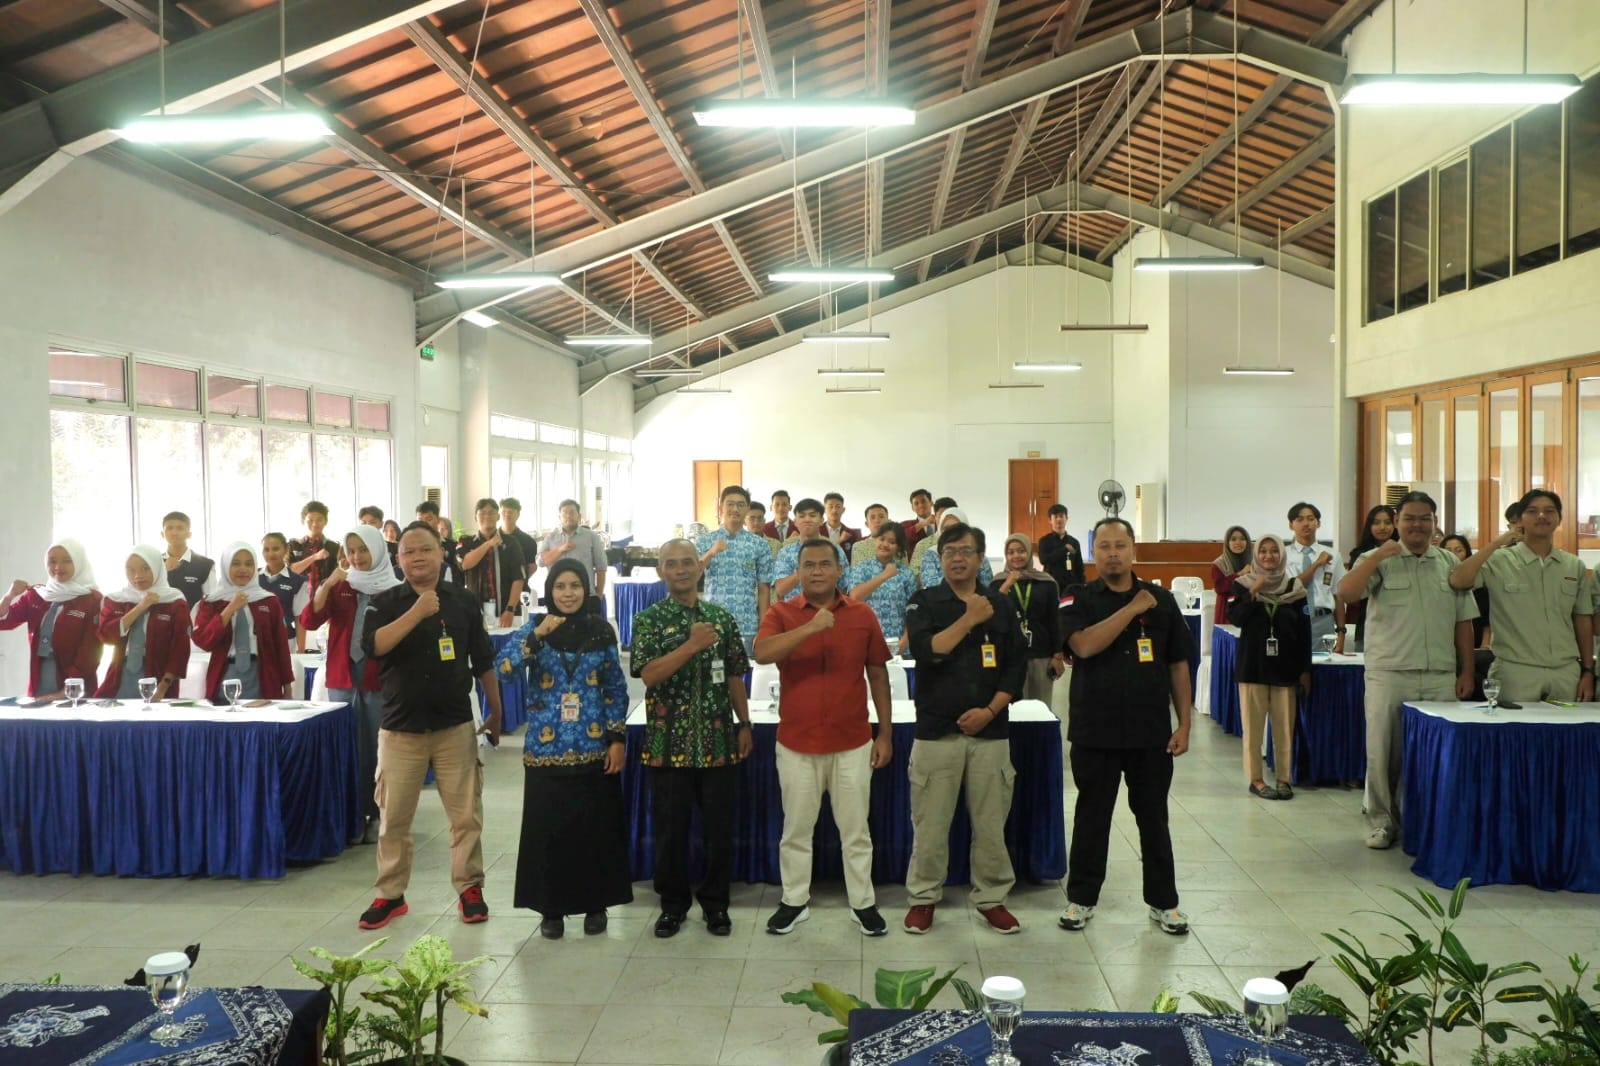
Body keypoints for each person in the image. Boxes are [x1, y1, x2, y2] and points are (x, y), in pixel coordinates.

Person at [358, 521, 503, 930]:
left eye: (425, 549)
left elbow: (483, 659)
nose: (417, 557)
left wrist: (495, 709)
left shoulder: (463, 601)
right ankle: (390, 894)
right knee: (394, 819)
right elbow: (376, 646)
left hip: (453, 726)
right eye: (408, 552)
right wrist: (417, 609)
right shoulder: (384, 602)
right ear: (398, 559)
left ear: (442, 553)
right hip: (400, 729)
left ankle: (469, 888)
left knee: (465, 817)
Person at [1058, 518, 1194, 936]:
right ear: (1092, 552)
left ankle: (1164, 902)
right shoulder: (1076, 598)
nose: (1112, 553)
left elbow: (1177, 664)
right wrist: (1131, 609)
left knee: (1153, 818)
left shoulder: (1162, 600)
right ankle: (1081, 900)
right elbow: (1082, 646)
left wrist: (1185, 724)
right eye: (1103, 546)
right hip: (1094, 731)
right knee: (1091, 818)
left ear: (1134, 550)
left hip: (1150, 732)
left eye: (1120, 545)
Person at [754, 538, 894, 938]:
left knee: (856, 831)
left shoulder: (862, 614)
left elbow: (878, 674)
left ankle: (863, 904)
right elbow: (762, 653)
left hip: (852, 742)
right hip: (797, 743)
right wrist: (811, 627)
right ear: (797, 572)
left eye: (824, 564)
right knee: (796, 831)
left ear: (838, 570)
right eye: (808, 565)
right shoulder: (781, 612)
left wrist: (884, 733)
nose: (816, 571)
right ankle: (794, 901)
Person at [902, 522, 1028, 935]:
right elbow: (927, 649)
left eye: (965, 551)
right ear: (940, 559)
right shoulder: (925, 601)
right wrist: (970, 617)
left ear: (979, 558)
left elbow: (1015, 666)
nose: (957, 558)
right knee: (931, 824)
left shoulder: (1002, 604)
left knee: (991, 825)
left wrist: (990, 711)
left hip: (989, 732)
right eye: (949, 551)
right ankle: (923, 898)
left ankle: (991, 897)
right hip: (936, 732)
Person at [495, 559, 632, 940]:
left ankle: (595, 904)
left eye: (575, 586)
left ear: (586, 589)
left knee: (594, 830)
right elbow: (503, 668)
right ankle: (550, 909)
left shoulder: (601, 631)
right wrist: (537, 636)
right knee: (548, 830)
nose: (568, 593)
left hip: (593, 747)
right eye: (560, 587)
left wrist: (617, 738)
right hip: (545, 748)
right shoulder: (536, 630)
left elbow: (615, 689)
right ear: (549, 591)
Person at [629, 538, 753, 939]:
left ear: (700, 568)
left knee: (718, 832)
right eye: (671, 563)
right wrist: (692, 645)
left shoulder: (722, 617)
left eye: (687, 562)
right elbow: (648, 674)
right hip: (668, 746)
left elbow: (735, 674)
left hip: (718, 742)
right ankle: (672, 906)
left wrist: (745, 723)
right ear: (661, 571)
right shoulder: (648, 620)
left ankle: (716, 906)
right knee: (670, 833)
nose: (681, 569)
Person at [1341, 492, 1477, 850]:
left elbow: (1464, 623)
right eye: (1410, 518)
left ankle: (1426, 821)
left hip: (1439, 675)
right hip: (1390, 671)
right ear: (1398, 522)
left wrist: (1466, 671)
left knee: (1435, 754)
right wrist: (1378, 557)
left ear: (1435, 524)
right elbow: (1346, 593)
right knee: (1383, 752)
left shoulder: (1449, 562)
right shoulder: (1378, 557)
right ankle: (1383, 822)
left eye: (1425, 518)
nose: (1417, 525)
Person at [301, 526, 400, 845]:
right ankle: (351, 814)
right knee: (347, 749)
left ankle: (379, 813)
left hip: (379, 680)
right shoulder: (342, 586)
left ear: (378, 551)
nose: (356, 557)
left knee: (377, 750)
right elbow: (309, 620)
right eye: (351, 550)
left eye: (363, 550)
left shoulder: (395, 591)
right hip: (343, 678)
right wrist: (329, 583)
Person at [1448, 488, 1592, 704]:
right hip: (1515, 671)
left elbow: (1582, 619)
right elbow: (1458, 580)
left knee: (1565, 737)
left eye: (1549, 511)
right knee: (1515, 736)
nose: (1541, 516)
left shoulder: (1573, 566)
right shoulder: (1499, 560)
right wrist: (1497, 543)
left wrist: (1588, 670)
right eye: (1533, 511)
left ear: (1559, 518)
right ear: (1520, 519)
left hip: (1565, 671)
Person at [1226, 535, 1310, 801]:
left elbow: (1304, 632)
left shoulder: (1294, 587)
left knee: (1285, 727)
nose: (1269, 556)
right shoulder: (1242, 585)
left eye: (1274, 551)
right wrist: (1253, 592)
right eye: (1263, 551)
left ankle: (1284, 778)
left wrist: (1304, 669)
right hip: (1253, 667)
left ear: (1282, 555)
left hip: (1285, 668)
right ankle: (1257, 779)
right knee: (1253, 729)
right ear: (1256, 554)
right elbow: (1236, 618)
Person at [0, 539, 103, 698]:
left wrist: (67, 690)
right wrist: (9, 595)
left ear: (79, 562)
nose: (58, 567)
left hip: (75, 682)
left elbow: (91, 651)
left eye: (67, 561)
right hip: (40, 675)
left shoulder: (92, 600)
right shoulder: (37, 595)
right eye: (52, 561)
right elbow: (3, 622)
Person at [193, 543, 294, 703]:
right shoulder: (212, 601)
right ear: (225, 566)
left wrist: (287, 688)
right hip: (225, 672)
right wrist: (229, 609)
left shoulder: (269, 600)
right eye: (236, 563)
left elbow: (280, 646)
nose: (243, 569)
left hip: (262, 674)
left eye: (249, 564)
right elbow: (203, 641)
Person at [97, 545, 190, 701]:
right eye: (131, 570)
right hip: (122, 674)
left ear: (157, 568)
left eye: (145, 568)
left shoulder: (175, 601)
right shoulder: (116, 599)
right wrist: (140, 606)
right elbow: (106, 636)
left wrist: (163, 687)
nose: (138, 576)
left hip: (158, 677)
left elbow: (180, 649)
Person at [695, 485, 774, 657]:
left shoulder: (759, 544)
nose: (735, 509)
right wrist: (711, 552)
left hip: (747, 625)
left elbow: (763, 589)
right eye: (730, 504)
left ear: (747, 508)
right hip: (711, 623)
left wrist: (764, 626)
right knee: (713, 677)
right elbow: (692, 576)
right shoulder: (705, 541)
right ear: (720, 507)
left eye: (741, 504)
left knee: (745, 677)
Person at [993, 533, 1064, 703]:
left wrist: (1057, 656)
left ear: (1030, 553)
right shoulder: (997, 583)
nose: (1016, 556)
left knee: (1041, 707)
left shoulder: (1046, 583)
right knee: (1012, 709)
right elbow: (993, 615)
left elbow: (1055, 620)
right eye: (1011, 552)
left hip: (1041, 654)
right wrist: (1007, 584)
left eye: (1021, 551)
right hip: (1009, 656)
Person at [1282, 502, 1346, 654]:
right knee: (1292, 672)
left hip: (1323, 621)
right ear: (1291, 525)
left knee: (1324, 671)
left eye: (1310, 519)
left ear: (1318, 523)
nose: (1306, 523)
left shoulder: (1333, 555)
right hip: (1292, 619)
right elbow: (1292, 586)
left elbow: (1338, 596)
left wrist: (1341, 633)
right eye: (1300, 519)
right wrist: (1317, 564)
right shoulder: (1283, 555)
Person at [846, 522, 917, 656]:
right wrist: (884, 576)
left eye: (891, 542)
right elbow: (854, 597)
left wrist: (902, 645)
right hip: (866, 644)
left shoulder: (906, 573)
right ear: (875, 540)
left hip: (900, 648)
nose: (884, 544)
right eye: (881, 539)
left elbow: (913, 613)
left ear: (898, 547)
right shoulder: (862, 569)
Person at [459, 497, 527, 627]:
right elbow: (465, 564)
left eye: (491, 513)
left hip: (506, 613)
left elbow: (519, 577)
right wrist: (489, 544)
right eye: (482, 513)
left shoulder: (511, 542)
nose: (487, 516)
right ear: (475, 517)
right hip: (476, 613)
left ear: (498, 517)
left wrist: (510, 608)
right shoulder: (466, 542)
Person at [1344, 505, 1399, 651]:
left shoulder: (1404, 552)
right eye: (1376, 523)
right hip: (1367, 623)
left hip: (1400, 624)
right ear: (1369, 526)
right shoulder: (1359, 554)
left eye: (1387, 522)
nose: (1382, 527)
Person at [774, 498, 847, 601]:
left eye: (812, 515)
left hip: (828, 611)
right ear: (795, 522)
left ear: (821, 520)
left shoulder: (835, 550)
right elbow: (780, 590)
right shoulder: (786, 552)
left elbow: (845, 586)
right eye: (802, 516)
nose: (807, 520)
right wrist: (803, 571)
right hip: (794, 613)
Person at [541, 499, 608, 601]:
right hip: (557, 596)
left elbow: (601, 567)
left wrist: (598, 595)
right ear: (560, 517)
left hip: (586, 595)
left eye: (572, 512)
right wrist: (560, 549)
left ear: (579, 516)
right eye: (564, 513)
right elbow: (540, 562)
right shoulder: (551, 537)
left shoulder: (591, 537)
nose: (568, 516)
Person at [917, 508, 995, 589]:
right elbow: (931, 588)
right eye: (946, 529)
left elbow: (987, 587)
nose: (952, 534)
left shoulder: (978, 555)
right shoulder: (931, 554)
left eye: (956, 528)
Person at [259, 532, 310, 651]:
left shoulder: (298, 581)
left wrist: (301, 650)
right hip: (256, 641)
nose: (270, 554)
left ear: (286, 549)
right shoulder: (253, 578)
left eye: (276, 549)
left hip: (285, 641)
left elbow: (299, 618)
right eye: (266, 549)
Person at [1440, 534, 1491, 648]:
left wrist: (1484, 648)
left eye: (1459, 550)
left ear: (1467, 554)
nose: (1453, 555)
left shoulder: (1479, 586)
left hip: (1476, 648)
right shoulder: (1436, 585)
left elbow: (1486, 624)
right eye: (1448, 550)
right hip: (1444, 647)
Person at [160, 511, 214, 607]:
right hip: (161, 620)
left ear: (189, 534)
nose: (174, 533)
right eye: (169, 528)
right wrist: (163, 570)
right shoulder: (154, 563)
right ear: (162, 534)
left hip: (193, 620)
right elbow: (146, 595)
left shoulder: (205, 564)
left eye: (180, 528)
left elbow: (211, 600)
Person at [289, 501, 339, 595]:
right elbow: (289, 571)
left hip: (327, 597)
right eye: (310, 520)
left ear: (326, 521)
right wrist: (315, 557)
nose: (315, 524)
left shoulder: (334, 547)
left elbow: (339, 574)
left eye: (319, 519)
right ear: (302, 521)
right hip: (298, 597)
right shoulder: (294, 545)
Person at [1037, 505, 1086, 594]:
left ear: (1066, 518)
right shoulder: (1044, 541)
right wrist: (1064, 550)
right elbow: (1044, 560)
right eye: (1055, 516)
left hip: (1071, 586)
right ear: (1050, 520)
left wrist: (1082, 586)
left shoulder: (1074, 542)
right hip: (1051, 584)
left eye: (1061, 516)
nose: (1059, 519)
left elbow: (1079, 567)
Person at [1209, 526, 1252, 626]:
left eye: (1242, 539)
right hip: (1227, 610)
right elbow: (1220, 588)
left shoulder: (1254, 562)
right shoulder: (1219, 564)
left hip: (1251, 608)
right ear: (1227, 543)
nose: (1238, 542)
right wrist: (1239, 574)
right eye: (1233, 539)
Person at [415, 501, 462, 585]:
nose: (424, 524)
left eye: (429, 519)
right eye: (420, 520)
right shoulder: (412, 547)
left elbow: (459, 573)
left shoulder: (452, 546)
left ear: (438, 520)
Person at [498, 498, 540, 583]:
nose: (506, 514)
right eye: (504, 511)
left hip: (519, 586)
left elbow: (532, 567)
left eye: (510, 512)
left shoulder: (528, 541)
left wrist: (519, 581)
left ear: (518, 514)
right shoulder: (492, 538)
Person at [902, 489, 938, 553]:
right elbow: (901, 539)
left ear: (931, 503)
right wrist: (922, 524)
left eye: (923, 501)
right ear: (912, 508)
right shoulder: (906, 525)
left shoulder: (941, 522)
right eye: (916, 503)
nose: (921, 505)